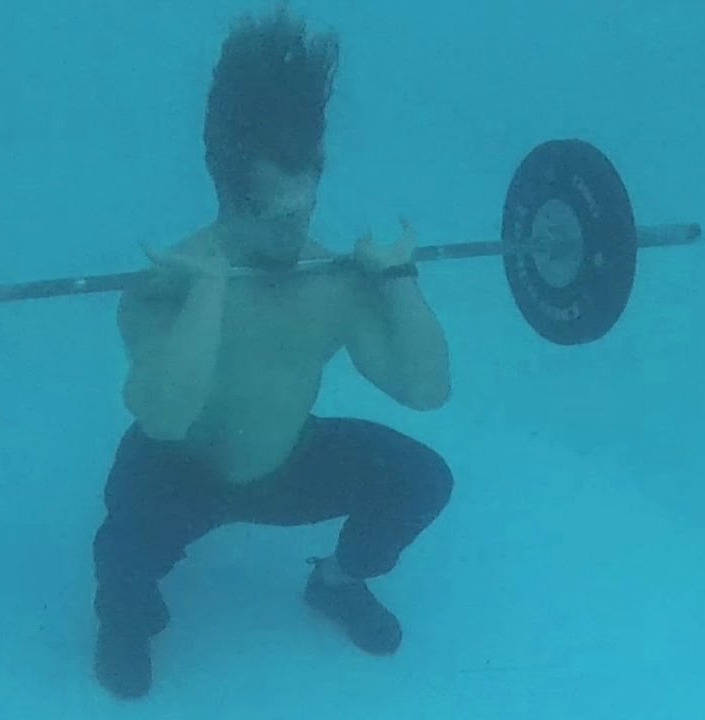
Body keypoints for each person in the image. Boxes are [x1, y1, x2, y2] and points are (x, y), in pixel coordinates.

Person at [91, 6, 455, 699]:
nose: (295, 236)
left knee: (422, 478)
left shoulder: (334, 283)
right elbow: (165, 417)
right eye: (274, 217)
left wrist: (397, 280)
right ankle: (128, 624)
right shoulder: (161, 291)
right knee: (122, 547)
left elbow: (426, 390)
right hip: (180, 468)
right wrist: (209, 296)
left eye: (306, 210)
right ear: (228, 189)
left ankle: (336, 583)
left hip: (285, 460)